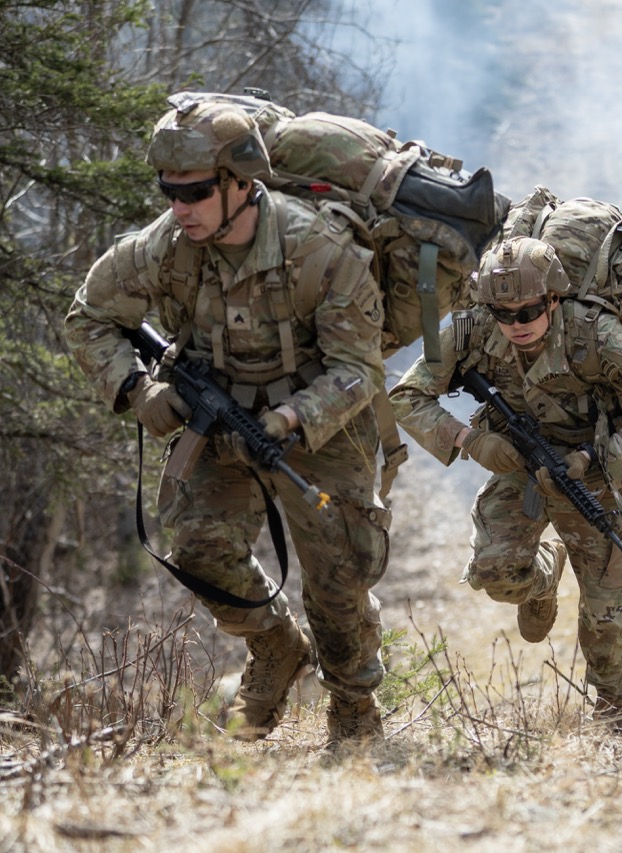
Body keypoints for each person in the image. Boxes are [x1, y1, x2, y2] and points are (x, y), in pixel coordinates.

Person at [64, 101, 392, 746]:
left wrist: (295, 416)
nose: (179, 207)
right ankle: (274, 646)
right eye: (168, 191)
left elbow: (359, 369)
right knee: (199, 553)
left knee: (338, 578)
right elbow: (89, 317)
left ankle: (354, 711)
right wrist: (137, 388)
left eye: (195, 192)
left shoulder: (319, 251)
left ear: (242, 182)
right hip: (212, 415)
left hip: (319, 420)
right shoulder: (164, 247)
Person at [388, 236, 622, 735]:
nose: (516, 325)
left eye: (529, 312)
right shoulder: (471, 327)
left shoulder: (599, 335)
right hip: (518, 457)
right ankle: (545, 575)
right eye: (504, 314)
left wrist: (592, 459)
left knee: (605, 610)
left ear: (554, 300)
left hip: (598, 470)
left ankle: (618, 724)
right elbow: (407, 395)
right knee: (497, 572)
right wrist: (471, 440)